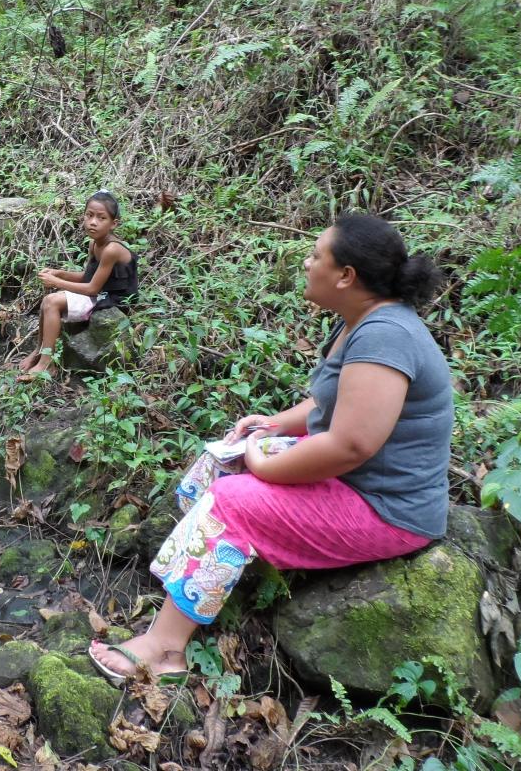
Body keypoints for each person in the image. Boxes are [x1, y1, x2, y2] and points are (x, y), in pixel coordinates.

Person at [88, 213, 451, 682]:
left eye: (316, 255)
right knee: (221, 460)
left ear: (346, 276)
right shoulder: (362, 320)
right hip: (355, 483)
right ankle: (202, 583)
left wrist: (263, 464)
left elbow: (350, 445)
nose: (306, 262)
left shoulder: (385, 335)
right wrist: (273, 425)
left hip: (386, 508)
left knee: (233, 501)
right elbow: (333, 403)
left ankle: (164, 650)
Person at [15, 191, 138, 381]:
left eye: (101, 217)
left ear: (113, 224)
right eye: (89, 215)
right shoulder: (95, 244)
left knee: (52, 301)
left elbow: (92, 289)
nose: (93, 222)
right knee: (49, 301)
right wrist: (59, 273)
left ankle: (47, 364)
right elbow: (88, 277)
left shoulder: (112, 249)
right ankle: (39, 351)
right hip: (101, 293)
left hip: (114, 300)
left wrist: (56, 282)